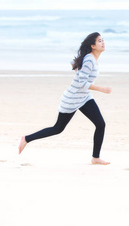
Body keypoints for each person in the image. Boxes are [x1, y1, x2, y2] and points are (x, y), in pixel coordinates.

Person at [18, 32, 112, 165]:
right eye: (100, 41)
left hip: (83, 97)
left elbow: (78, 70)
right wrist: (101, 89)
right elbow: (81, 83)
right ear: (93, 46)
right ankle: (26, 139)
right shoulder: (90, 60)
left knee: (100, 124)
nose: (103, 43)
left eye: (103, 40)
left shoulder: (91, 58)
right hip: (73, 98)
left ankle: (95, 158)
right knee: (58, 128)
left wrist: (78, 70)